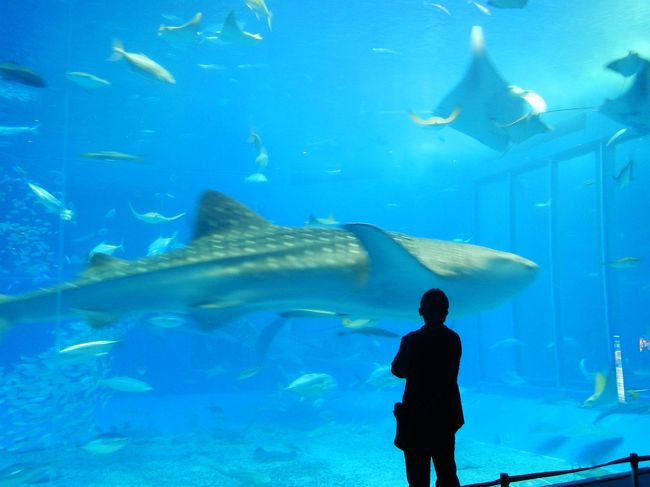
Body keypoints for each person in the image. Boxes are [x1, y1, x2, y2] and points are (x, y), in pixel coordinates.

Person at [391, 288, 464, 487]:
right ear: (446, 312)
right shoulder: (453, 339)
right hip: (445, 415)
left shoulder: (411, 340)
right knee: (447, 471)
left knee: (417, 477)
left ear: (420, 311)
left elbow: (398, 370)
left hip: (416, 417)